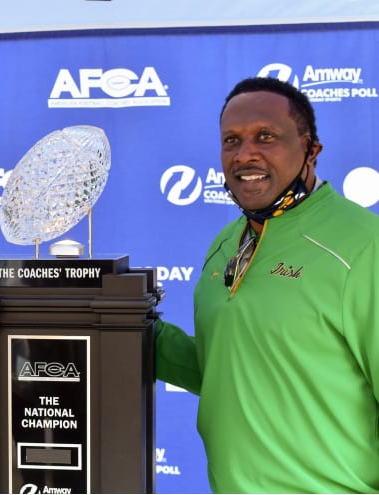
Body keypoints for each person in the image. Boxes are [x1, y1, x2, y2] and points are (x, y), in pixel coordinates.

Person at [155, 77, 379, 493]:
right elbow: (225, 370)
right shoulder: (225, 244)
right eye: (231, 141)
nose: (245, 154)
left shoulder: (364, 246)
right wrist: (135, 331)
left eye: (266, 137)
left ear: (311, 150)